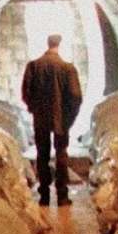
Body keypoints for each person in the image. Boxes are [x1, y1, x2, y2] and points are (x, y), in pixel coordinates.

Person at [21, 34, 83, 207]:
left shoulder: (34, 66)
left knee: (42, 155)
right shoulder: (67, 68)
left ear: (48, 44)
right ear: (59, 45)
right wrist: (69, 118)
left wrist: (34, 109)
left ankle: (44, 196)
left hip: (40, 118)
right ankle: (62, 195)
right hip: (60, 119)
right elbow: (76, 96)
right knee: (61, 153)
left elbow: (25, 93)